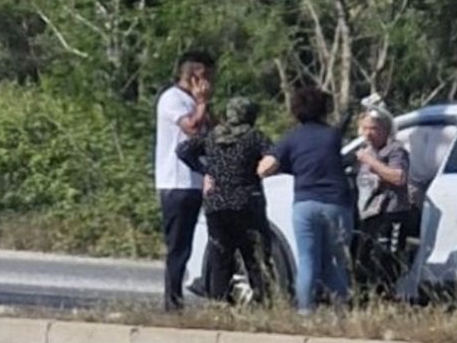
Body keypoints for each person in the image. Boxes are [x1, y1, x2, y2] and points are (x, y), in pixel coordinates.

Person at [258, 87, 352, 315]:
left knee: (307, 259)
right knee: (338, 261)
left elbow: (264, 168)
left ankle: (305, 311)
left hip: (305, 203)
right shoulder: (333, 135)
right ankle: (341, 310)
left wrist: (290, 166)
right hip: (336, 202)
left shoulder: (291, 138)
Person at [177, 97, 275, 304]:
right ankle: (262, 302)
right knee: (255, 257)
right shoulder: (254, 137)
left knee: (220, 257)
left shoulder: (212, 136)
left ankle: (219, 302)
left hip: (216, 205)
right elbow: (273, 157)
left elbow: (183, 150)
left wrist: (205, 171)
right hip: (246, 203)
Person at [154, 50, 215, 311]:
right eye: (205, 77)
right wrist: (201, 103)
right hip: (176, 182)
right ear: (193, 75)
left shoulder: (195, 101)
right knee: (178, 245)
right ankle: (172, 301)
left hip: (196, 181)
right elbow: (190, 128)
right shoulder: (172, 99)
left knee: (190, 244)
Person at [352, 102, 413, 301]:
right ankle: (365, 299)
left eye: (374, 129)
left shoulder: (395, 150)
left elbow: (398, 177)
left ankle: (387, 299)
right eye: (365, 128)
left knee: (387, 261)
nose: (368, 134)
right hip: (369, 214)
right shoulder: (365, 150)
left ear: (386, 130)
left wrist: (372, 163)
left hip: (391, 213)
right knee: (364, 260)